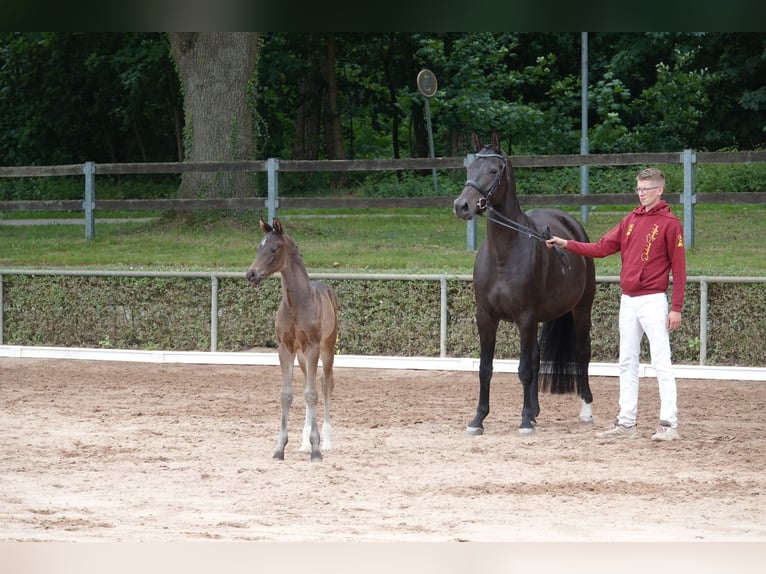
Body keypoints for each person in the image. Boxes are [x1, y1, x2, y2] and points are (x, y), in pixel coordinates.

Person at [545, 167, 687, 441]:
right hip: (629, 300)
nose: (641, 193)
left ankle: (669, 423)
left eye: (646, 189)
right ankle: (626, 422)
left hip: (653, 300)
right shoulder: (629, 220)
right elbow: (600, 248)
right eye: (639, 188)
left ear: (659, 190)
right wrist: (566, 243)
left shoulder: (670, 224)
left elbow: (679, 270)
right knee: (626, 361)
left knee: (661, 362)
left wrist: (676, 307)